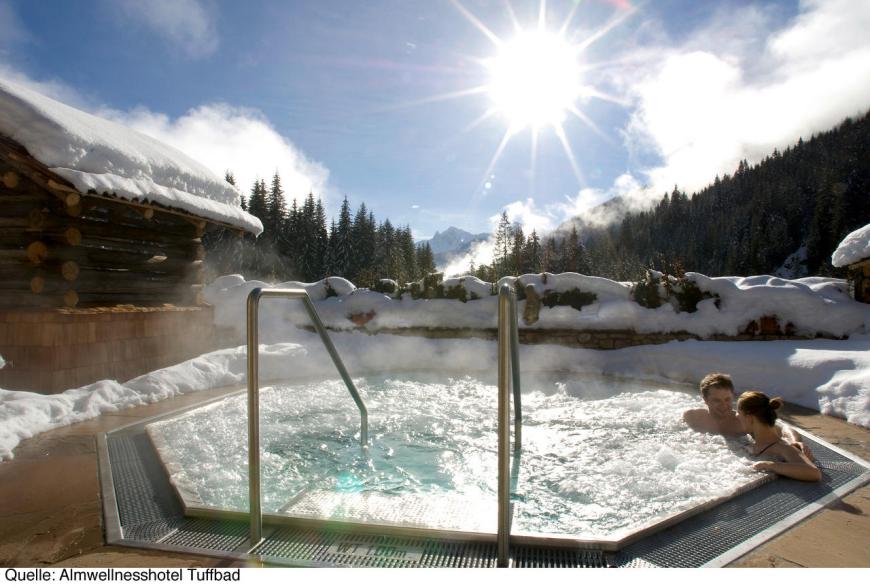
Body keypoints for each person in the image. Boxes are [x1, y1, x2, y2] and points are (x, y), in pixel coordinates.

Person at [683, 372, 802, 444]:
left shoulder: (743, 421)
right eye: (716, 400)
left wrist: (795, 443)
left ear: (732, 396)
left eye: (727, 399)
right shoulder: (693, 417)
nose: (724, 405)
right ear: (705, 400)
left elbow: (784, 428)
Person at [737, 391, 821, 482]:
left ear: (750, 418)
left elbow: (814, 473)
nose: (737, 416)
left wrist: (770, 465)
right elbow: (784, 428)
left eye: (739, 413)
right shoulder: (754, 437)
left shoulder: (782, 448)